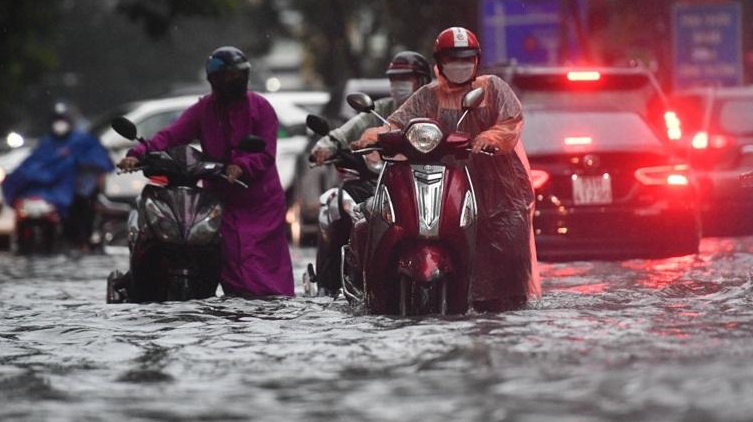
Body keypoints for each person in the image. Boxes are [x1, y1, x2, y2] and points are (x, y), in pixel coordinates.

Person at [353, 27, 541, 311]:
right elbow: (398, 122)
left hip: (500, 189)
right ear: (439, 63)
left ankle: (507, 307)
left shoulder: (492, 87)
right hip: (451, 184)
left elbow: (510, 122)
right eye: (452, 59)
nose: (460, 65)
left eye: (466, 58)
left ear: (476, 60)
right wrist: (375, 134)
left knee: (508, 254)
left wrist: (491, 137)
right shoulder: (428, 95)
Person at [118, 46, 294, 297]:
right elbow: (170, 135)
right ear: (215, 79)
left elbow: (266, 154)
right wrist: (137, 154)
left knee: (264, 267)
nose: (237, 81)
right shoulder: (203, 110)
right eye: (231, 76)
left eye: (241, 75)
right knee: (230, 258)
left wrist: (241, 166)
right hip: (220, 199)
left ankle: (269, 309)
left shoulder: (261, 108)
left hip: (261, 202)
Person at [307, 51, 432, 294]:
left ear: (423, 81)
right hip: (379, 184)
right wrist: (325, 147)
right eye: (394, 79)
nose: (398, 85)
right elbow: (343, 134)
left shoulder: (434, 108)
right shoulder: (379, 110)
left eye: (405, 78)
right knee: (339, 207)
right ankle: (329, 286)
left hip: (425, 183)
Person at [2, 102, 114, 246]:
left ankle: (81, 240)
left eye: (62, 120)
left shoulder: (81, 141)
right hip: (44, 193)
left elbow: (99, 161)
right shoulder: (47, 142)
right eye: (57, 120)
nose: (59, 124)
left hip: (73, 194)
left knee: (79, 218)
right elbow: (32, 166)